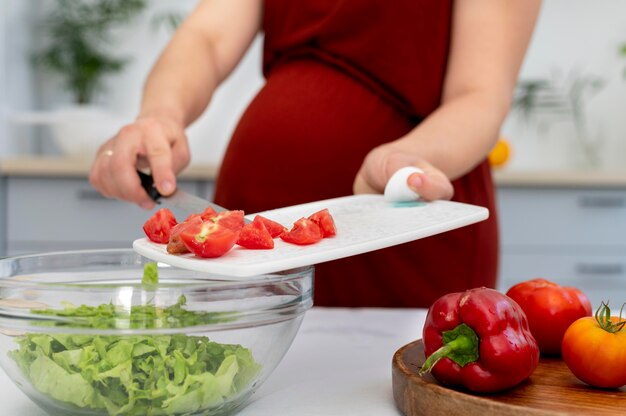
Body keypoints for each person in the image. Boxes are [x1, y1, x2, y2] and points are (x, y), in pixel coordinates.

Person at [89, 0, 541, 307]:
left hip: (400, 231)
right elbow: (207, 38)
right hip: (251, 237)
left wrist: (404, 157)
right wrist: (160, 116)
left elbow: (479, 95)